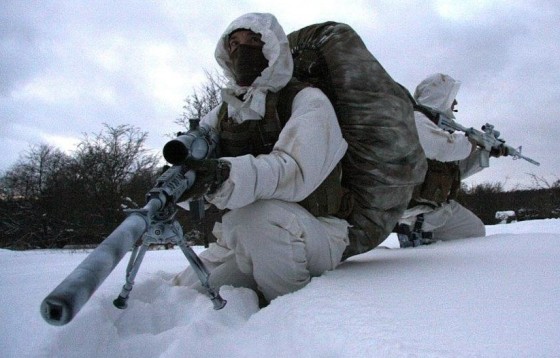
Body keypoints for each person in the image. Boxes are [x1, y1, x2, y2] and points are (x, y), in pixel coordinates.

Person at [172, 13, 350, 304]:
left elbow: (294, 172)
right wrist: (183, 184)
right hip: (242, 236)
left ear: (274, 47)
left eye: (254, 41)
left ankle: (295, 317)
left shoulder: (308, 101)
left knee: (254, 217)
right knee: (190, 295)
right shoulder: (224, 113)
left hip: (316, 232)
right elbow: (195, 173)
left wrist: (222, 176)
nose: (242, 51)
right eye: (234, 43)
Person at [396, 73, 505, 247]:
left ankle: (423, 239)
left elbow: (456, 170)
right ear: (440, 98)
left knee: (474, 229)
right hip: (417, 211)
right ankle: (420, 239)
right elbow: (443, 148)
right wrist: (472, 141)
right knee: (472, 232)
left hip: (432, 207)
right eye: (452, 98)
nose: (455, 104)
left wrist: (485, 153)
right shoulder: (416, 120)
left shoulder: (434, 127)